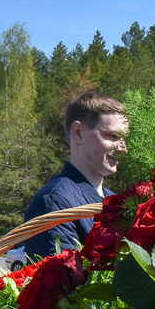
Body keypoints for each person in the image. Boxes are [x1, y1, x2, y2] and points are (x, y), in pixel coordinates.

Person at [23, 91, 128, 260]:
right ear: (78, 132)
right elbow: (61, 283)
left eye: (124, 139)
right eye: (112, 136)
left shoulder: (115, 201)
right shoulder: (55, 203)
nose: (123, 148)